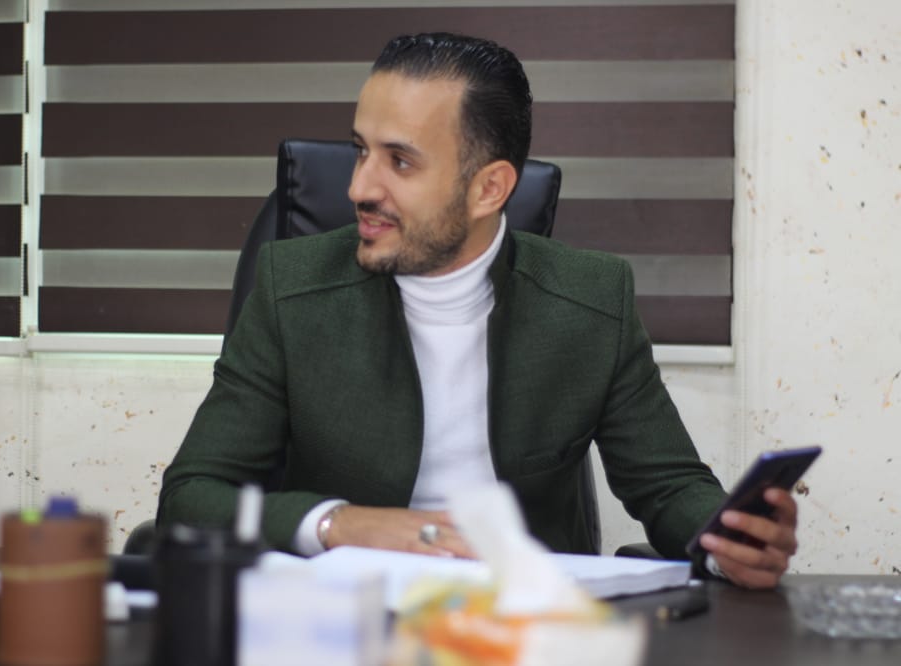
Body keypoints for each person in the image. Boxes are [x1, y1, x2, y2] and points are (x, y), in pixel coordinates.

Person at [158, 32, 798, 589]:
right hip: (348, 619)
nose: (359, 187)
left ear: (489, 188)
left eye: (399, 161)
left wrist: (730, 540)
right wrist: (339, 524)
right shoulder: (291, 288)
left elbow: (670, 487)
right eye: (360, 150)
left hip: (520, 624)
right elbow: (191, 498)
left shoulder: (592, 299)